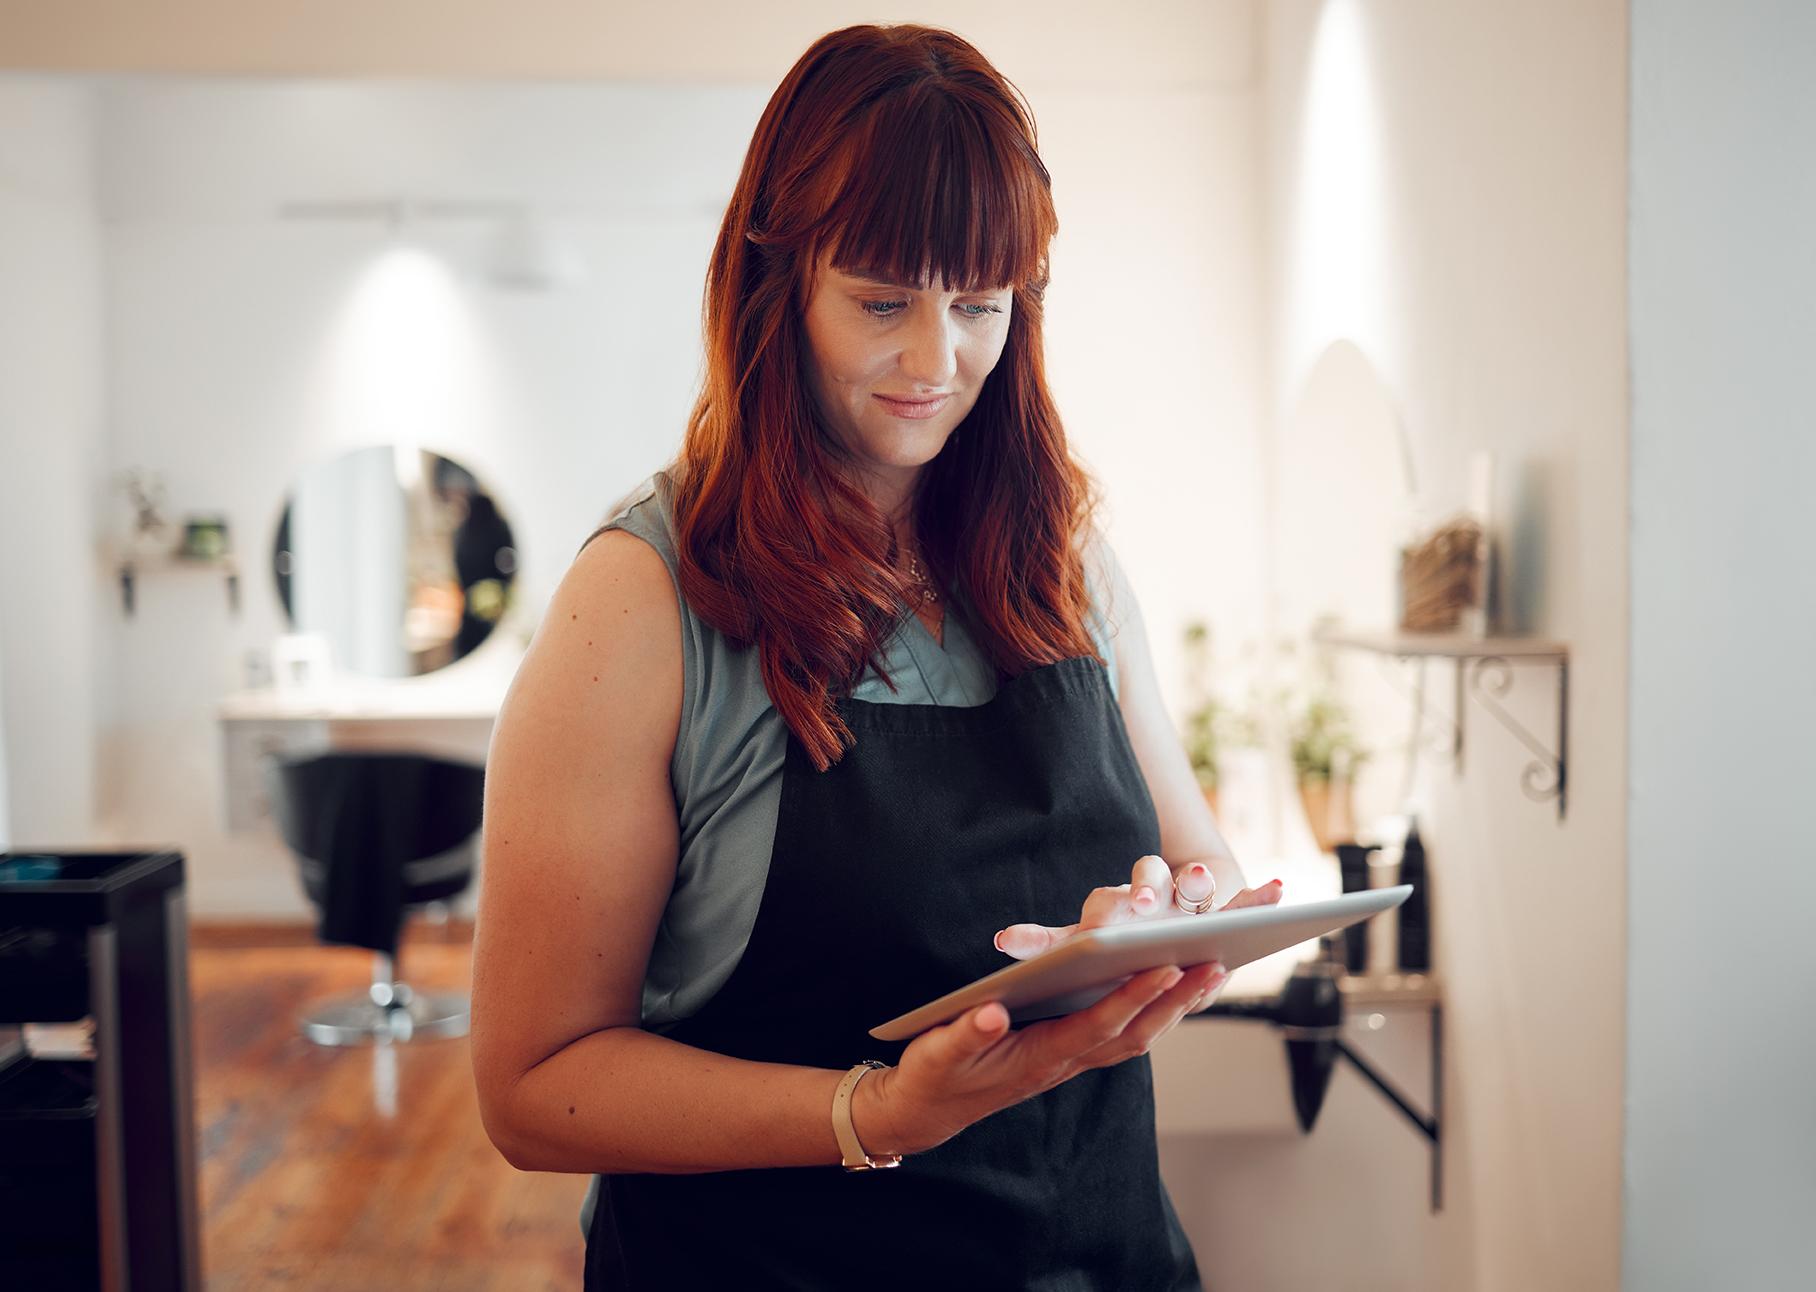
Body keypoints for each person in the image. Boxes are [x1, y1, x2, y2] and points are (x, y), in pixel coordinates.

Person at [470, 22, 1284, 1290]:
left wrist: (1161, 917)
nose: (934, 361)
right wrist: (875, 1115)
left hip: (1103, 1253)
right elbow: (530, 1086)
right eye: (879, 300)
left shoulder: (1060, 548)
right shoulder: (641, 601)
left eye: (978, 304)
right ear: (775, 281)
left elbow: (1199, 857)